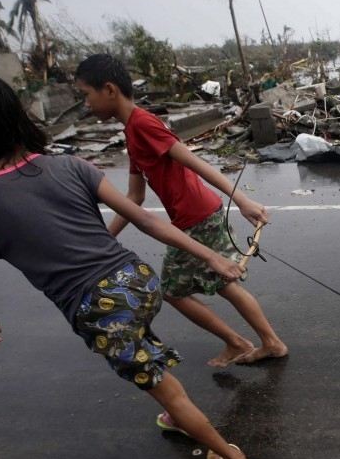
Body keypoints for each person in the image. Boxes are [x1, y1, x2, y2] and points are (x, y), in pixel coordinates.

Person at [0, 70, 258, 459]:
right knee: (138, 337)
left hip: (100, 309)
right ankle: (180, 404)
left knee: (167, 389)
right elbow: (145, 219)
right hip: (139, 281)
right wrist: (212, 258)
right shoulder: (71, 165)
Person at [74, 54, 287, 374]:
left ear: (109, 90)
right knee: (223, 283)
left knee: (173, 291)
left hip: (197, 217)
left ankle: (241, 342)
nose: (86, 103)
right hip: (196, 215)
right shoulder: (132, 132)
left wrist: (242, 200)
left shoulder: (143, 124)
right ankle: (267, 342)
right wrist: (104, 238)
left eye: (86, 94)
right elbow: (134, 197)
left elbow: (192, 161)